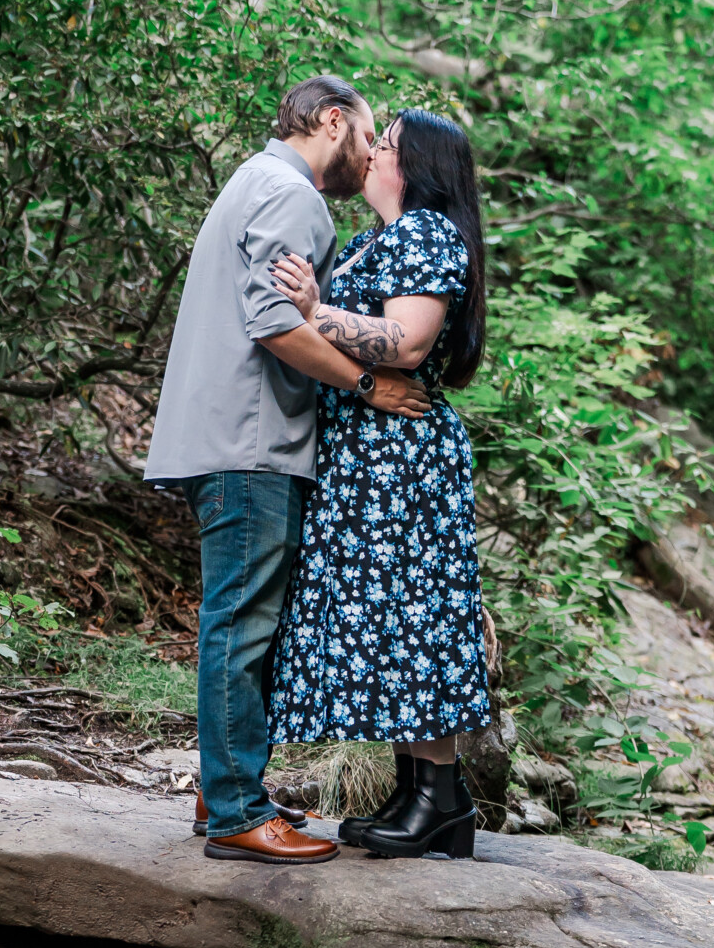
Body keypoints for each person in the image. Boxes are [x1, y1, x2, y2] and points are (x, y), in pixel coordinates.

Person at [144, 77, 430, 864]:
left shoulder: (253, 179)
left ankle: (224, 791)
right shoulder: (292, 194)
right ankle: (236, 813)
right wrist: (370, 385)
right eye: (368, 136)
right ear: (331, 121)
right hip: (251, 443)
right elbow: (274, 324)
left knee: (243, 621)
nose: (372, 153)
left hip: (232, 439)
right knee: (241, 625)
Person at [267, 108, 490, 860]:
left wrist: (312, 312)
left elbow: (410, 339)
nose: (368, 153)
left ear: (417, 167)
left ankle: (439, 800)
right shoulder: (379, 240)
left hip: (402, 457)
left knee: (413, 617)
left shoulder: (425, 233)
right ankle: (420, 794)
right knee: (394, 621)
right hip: (373, 455)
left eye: (384, 145)